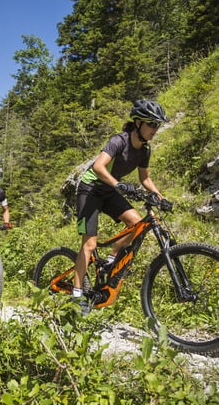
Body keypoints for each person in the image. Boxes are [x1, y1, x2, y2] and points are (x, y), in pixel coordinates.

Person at [73, 99, 173, 310]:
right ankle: (77, 294)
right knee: (89, 244)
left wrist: (160, 197)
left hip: (109, 191)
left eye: (158, 125)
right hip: (89, 189)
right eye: (152, 124)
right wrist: (119, 184)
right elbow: (99, 166)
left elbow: (145, 179)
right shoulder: (119, 141)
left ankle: (110, 259)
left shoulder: (145, 150)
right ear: (138, 122)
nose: (155, 129)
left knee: (136, 224)